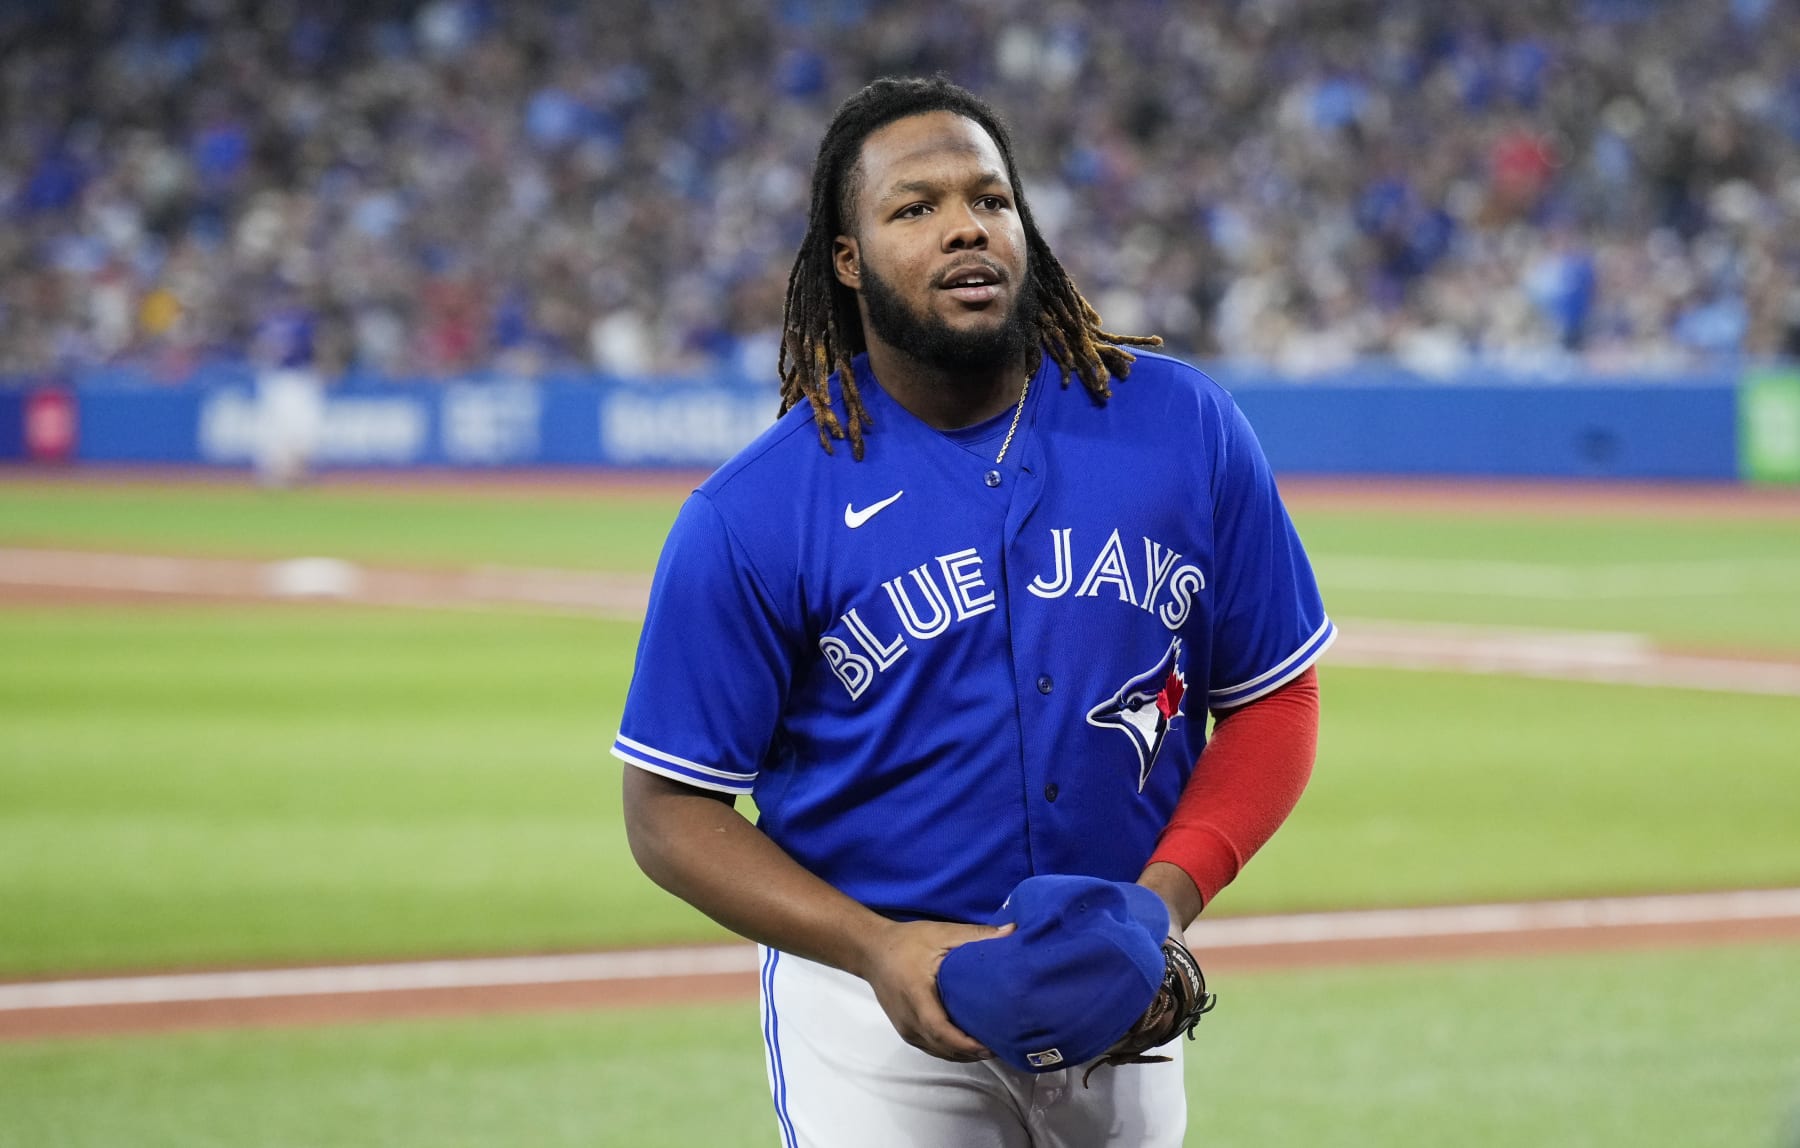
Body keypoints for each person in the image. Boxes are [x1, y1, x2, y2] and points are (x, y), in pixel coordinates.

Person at [616, 75, 1332, 1147]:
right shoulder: (755, 510)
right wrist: (872, 946)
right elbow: (667, 812)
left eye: (990, 200)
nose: (966, 227)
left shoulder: (1180, 424)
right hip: (876, 1024)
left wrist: (1159, 911)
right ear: (847, 259)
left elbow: (1276, 697)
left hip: (1120, 999)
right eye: (915, 208)